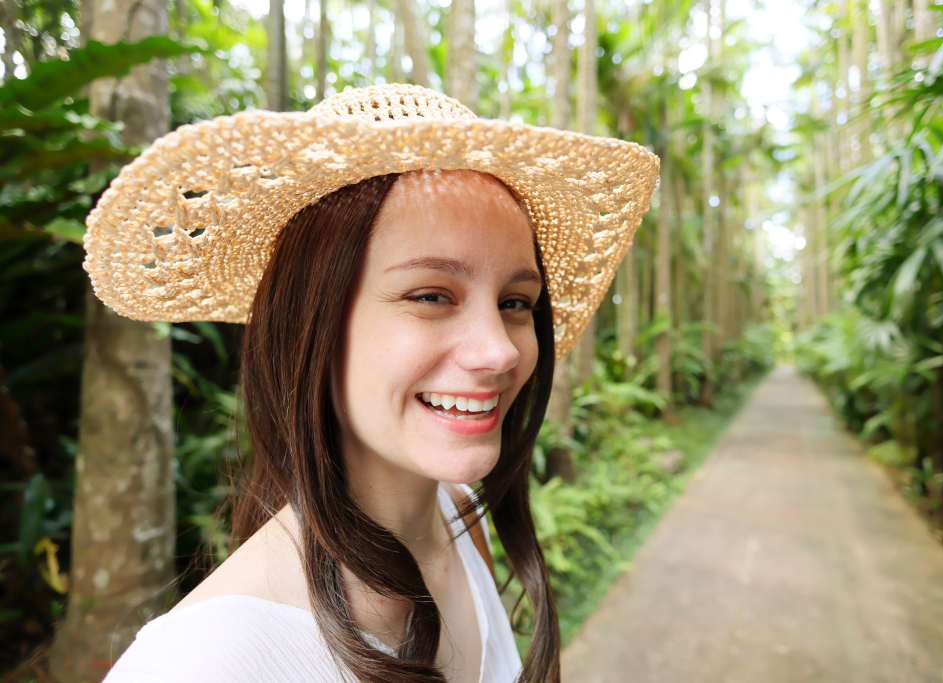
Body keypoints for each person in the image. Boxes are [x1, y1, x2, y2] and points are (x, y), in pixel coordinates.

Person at [84, 84, 658, 683]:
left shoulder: (458, 516)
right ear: (309, 325)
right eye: (431, 295)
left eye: (515, 302)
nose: (500, 351)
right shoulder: (199, 663)